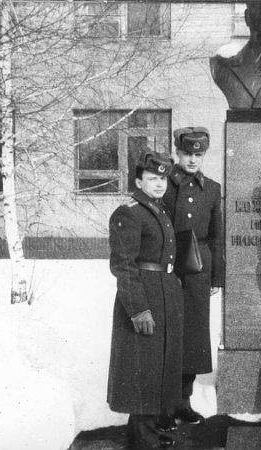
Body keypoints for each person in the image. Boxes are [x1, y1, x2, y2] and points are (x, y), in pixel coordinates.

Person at [107, 150, 183, 450]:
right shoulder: (129, 212)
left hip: (164, 294)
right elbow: (123, 266)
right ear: (139, 181)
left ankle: (146, 433)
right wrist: (138, 309)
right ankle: (143, 441)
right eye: (152, 179)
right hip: (144, 298)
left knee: (155, 368)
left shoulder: (158, 210)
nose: (159, 184)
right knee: (142, 371)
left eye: (163, 179)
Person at [160, 127, 224, 428]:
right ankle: (164, 406)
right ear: (177, 152)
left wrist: (217, 277)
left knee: (193, 338)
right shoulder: (164, 185)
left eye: (198, 154)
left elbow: (216, 236)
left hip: (198, 273)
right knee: (168, 337)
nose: (193, 159)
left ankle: (184, 403)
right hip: (169, 271)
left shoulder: (211, 189)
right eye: (187, 154)